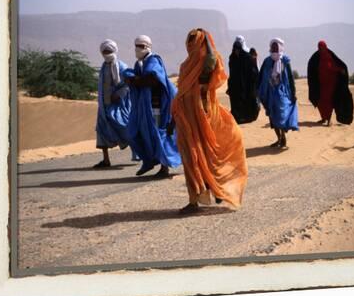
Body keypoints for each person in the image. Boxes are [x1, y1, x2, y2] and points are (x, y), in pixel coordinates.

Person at [170, 28, 248, 214]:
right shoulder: (186, 65)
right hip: (186, 118)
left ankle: (214, 189)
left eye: (194, 40)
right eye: (188, 39)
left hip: (203, 117)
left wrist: (207, 43)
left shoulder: (207, 63)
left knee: (206, 157)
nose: (190, 43)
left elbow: (211, 65)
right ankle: (195, 199)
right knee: (191, 158)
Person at [123, 35, 181, 178]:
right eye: (137, 45)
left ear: (148, 46)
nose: (138, 49)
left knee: (158, 136)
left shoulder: (153, 60)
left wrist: (135, 80)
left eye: (142, 46)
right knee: (135, 134)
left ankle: (164, 168)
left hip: (157, 107)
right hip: (144, 108)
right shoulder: (140, 63)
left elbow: (153, 79)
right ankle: (148, 161)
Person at [93, 39, 132, 168]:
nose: (107, 54)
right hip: (104, 106)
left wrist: (118, 94)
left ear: (114, 50)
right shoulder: (103, 66)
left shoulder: (122, 66)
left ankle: (141, 153)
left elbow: (128, 85)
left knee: (126, 127)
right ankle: (106, 160)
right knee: (101, 130)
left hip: (118, 106)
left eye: (109, 51)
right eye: (104, 52)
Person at [257, 38, 299, 149]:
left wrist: (293, 93)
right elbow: (261, 76)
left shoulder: (285, 61)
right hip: (269, 93)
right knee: (272, 116)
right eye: (273, 47)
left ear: (280, 48)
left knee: (281, 116)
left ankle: (283, 138)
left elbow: (290, 78)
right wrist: (259, 90)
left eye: (276, 47)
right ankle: (279, 139)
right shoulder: (267, 61)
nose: (274, 49)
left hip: (282, 94)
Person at [307, 40, 354, 126]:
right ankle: (323, 118)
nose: (321, 49)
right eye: (319, 47)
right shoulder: (316, 57)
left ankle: (329, 119)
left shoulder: (330, 55)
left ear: (325, 47)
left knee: (329, 102)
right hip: (320, 85)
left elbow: (335, 66)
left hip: (331, 85)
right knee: (320, 102)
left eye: (322, 47)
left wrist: (341, 70)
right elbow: (312, 68)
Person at [227, 36, 259, 124]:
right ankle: (238, 117)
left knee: (248, 99)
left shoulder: (247, 57)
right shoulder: (232, 58)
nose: (236, 51)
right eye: (235, 49)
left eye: (238, 49)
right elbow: (231, 70)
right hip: (235, 83)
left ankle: (248, 116)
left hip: (247, 83)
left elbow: (253, 71)